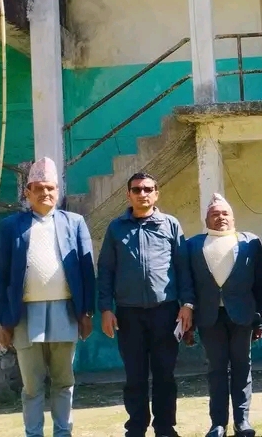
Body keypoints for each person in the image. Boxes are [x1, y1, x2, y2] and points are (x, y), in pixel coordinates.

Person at [0, 157, 95, 437]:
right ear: (27, 192)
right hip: (25, 316)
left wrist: (86, 312)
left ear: (57, 191)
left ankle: (63, 432)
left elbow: (87, 271)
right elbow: (0, 277)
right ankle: (34, 433)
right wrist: (4, 320)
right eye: (38, 188)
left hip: (65, 312)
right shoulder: (11, 226)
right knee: (32, 385)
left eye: (50, 187)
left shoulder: (74, 223)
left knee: (63, 381)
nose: (44, 193)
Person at [97, 172, 195, 437]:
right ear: (128, 195)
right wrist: (106, 308)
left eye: (148, 189)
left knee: (165, 374)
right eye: (137, 189)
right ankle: (136, 428)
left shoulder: (170, 225)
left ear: (156, 193)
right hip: (128, 314)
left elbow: (183, 267)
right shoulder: (116, 228)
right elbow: (105, 269)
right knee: (135, 376)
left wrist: (187, 304)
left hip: (166, 311)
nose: (143, 194)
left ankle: (165, 427)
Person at [188, 193, 262, 437]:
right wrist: (188, 321)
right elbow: (187, 284)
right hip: (209, 317)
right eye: (215, 214)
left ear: (233, 218)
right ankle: (218, 423)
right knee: (216, 370)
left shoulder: (250, 242)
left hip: (242, 316)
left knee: (242, 368)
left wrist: (260, 318)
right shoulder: (193, 245)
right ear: (206, 219)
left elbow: (260, 284)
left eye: (225, 213)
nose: (220, 217)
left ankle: (242, 421)